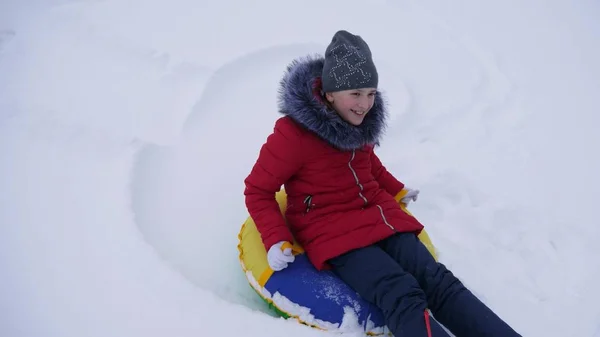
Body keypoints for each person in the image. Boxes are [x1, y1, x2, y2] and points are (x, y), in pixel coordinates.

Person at [244, 30, 521, 337]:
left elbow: (367, 164)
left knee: (440, 282)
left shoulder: (357, 122)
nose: (365, 104)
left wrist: (395, 188)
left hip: (379, 214)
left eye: (371, 93)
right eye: (355, 93)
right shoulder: (293, 135)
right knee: (401, 293)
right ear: (330, 93)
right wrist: (275, 238)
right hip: (331, 229)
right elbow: (258, 190)